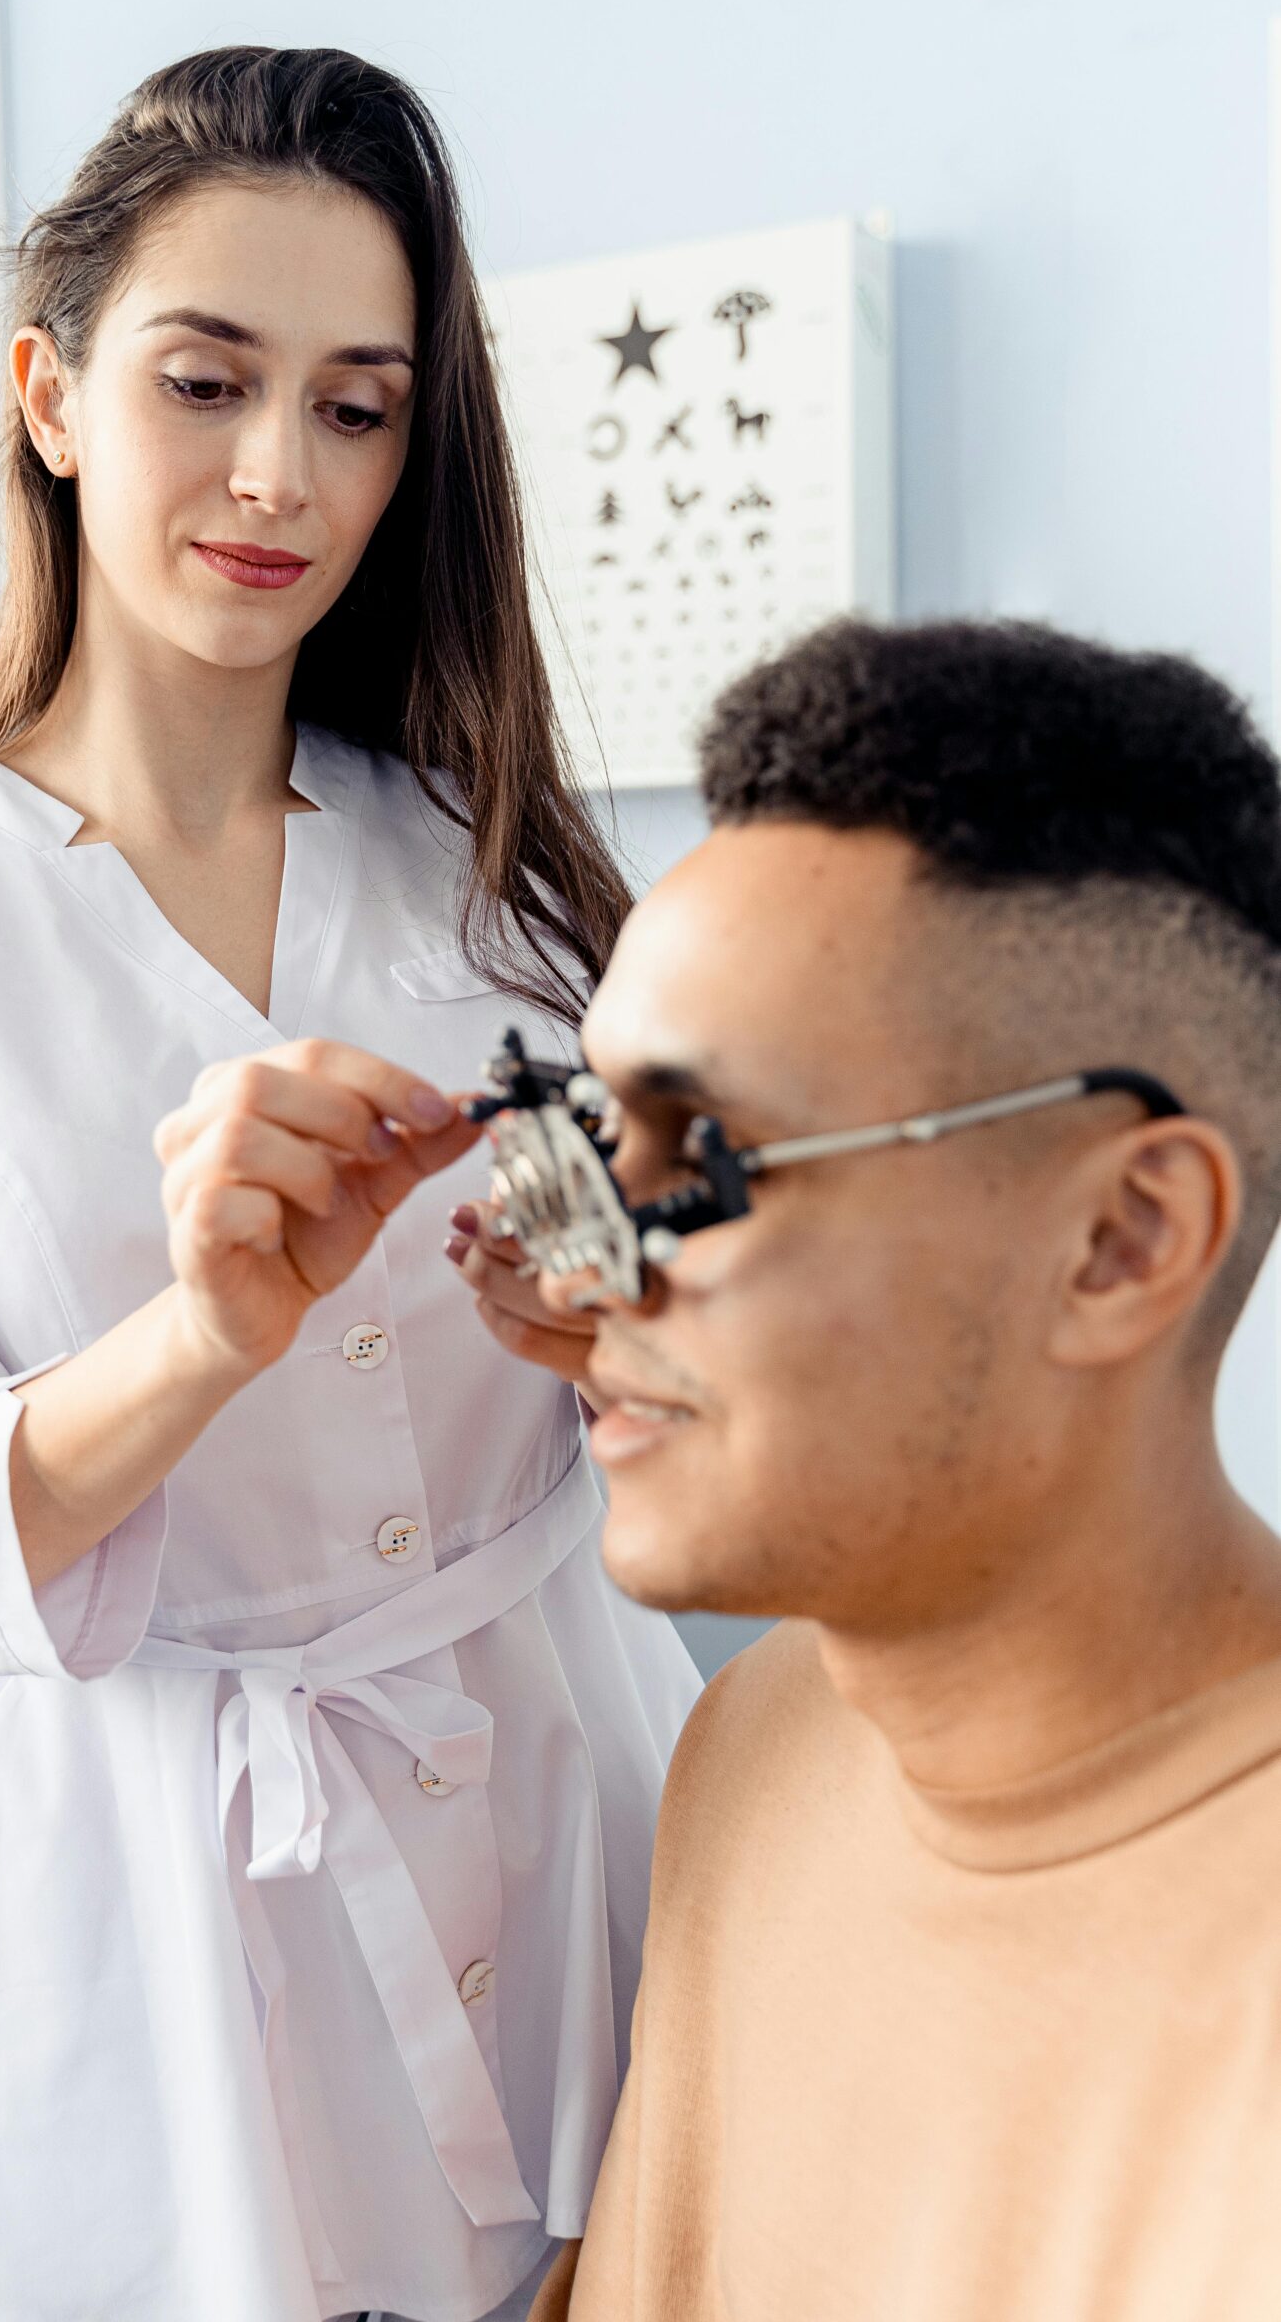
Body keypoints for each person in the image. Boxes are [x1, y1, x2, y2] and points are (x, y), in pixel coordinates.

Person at [0, 46, 698, 2322]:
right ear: (57, 395)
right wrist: (200, 1338)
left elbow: (648, 1327)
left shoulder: (505, 892)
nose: (278, 473)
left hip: (572, 1778)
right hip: (157, 1902)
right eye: (207, 380)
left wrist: (618, 1318)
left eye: (356, 408)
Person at [456, 616, 1281, 2321]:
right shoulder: (759, 1744)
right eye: (586, 1141)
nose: (581, 1270)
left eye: (706, 1164)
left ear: (1123, 1239)